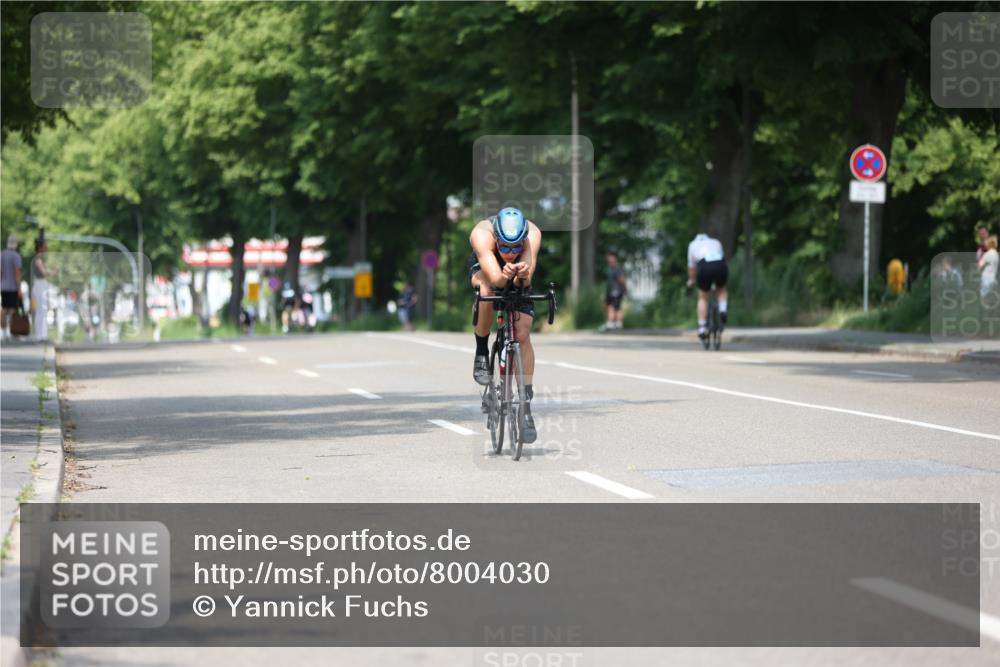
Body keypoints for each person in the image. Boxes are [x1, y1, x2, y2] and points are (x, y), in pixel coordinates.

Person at [469, 206, 542, 443]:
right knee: (487, 290)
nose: (510, 253)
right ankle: (481, 351)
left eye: (516, 248)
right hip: (487, 269)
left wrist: (521, 275)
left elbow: (525, 282)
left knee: (523, 335)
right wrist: (505, 275)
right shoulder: (482, 234)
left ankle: (525, 405)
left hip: (517, 274)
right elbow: (498, 280)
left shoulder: (532, 235)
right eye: (505, 247)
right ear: (497, 238)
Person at [686, 230, 728, 341]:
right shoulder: (716, 242)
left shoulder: (692, 245)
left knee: (703, 296)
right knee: (721, 288)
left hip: (704, 266)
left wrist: (691, 280)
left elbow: (692, 267)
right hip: (720, 264)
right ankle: (723, 309)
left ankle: (702, 327)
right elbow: (722, 257)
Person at [1, 234, 23, 340]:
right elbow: (17, 273)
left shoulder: (2, 254)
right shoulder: (16, 256)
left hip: (3, 286)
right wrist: (19, 289)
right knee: (12, 310)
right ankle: (12, 331)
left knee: (4, 309)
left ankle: (3, 332)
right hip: (13, 287)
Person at [31, 238, 51, 342]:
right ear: (40, 247)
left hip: (41, 284)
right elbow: (44, 272)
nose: (47, 248)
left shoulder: (40, 258)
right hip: (40, 285)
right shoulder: (38, 259)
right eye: (45, 246)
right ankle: (41, 335)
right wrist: (52, 272)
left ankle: (42, 335)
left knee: (42, 310)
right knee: (41, 310)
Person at [602, 252, 627, 331]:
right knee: (612, 307)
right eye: (608, 261)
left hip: (616, 291)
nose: (610, 262)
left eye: (611, 260)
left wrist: (625, 289)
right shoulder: (610, 269)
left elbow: (622, 280)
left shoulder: (618, 269)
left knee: (613, 307)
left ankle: (613, 323)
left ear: (615, 260)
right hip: (610, 291)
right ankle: (615, 323)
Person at [978, 235, 998, 305]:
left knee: (983, 295)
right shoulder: (996, 254)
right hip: (993, 278)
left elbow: (980, 265)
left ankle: (984, 308)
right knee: (992, 295)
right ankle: (993, 308)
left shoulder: (987, 254)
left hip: (986, 278)